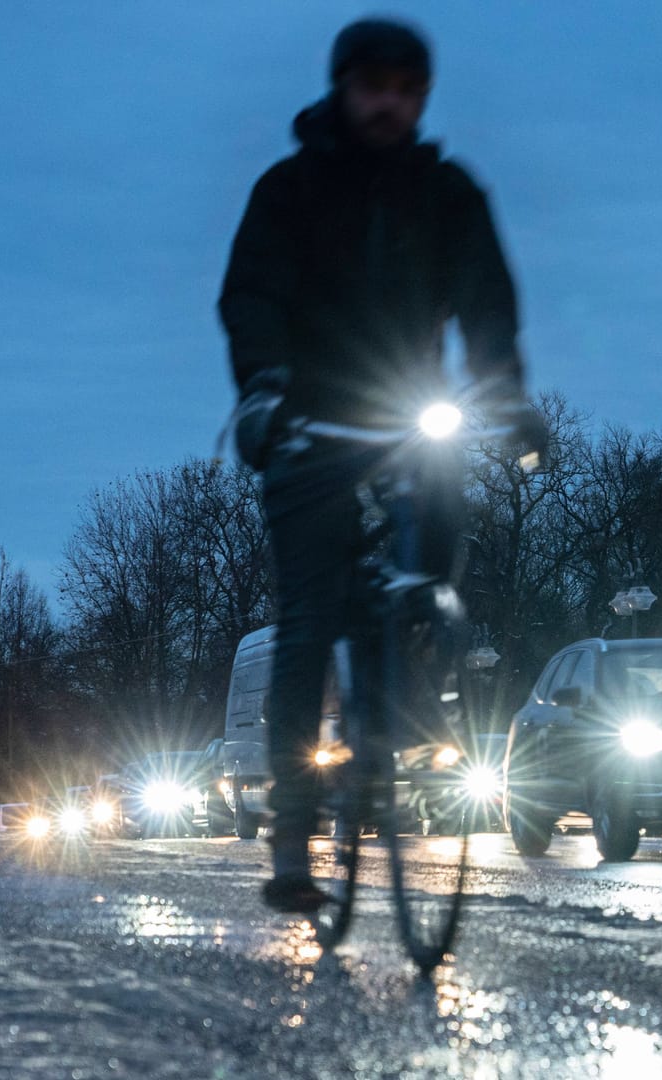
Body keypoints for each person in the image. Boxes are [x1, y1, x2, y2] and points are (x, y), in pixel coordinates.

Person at [218, 17, 544, 912]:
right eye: (375, 87)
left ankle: (406, 689)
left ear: (421, 98)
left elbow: (488, 303)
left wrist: (506, 396)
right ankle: (292, 832)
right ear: (344, 89)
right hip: (306, 420)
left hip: (407, 414)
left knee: (437, 540)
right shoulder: (291, 189)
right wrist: (263, 392)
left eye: (407, 90)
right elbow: (252, 295)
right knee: (308, 619)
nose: (390, 104)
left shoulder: (447, 195)